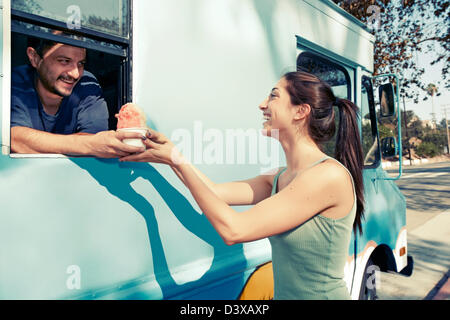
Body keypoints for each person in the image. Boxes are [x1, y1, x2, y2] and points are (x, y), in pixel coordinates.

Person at [120, 71, 365, 300]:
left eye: (273, 96)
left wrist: (173, 166)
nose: (262, 104)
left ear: (300, 111)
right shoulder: (280, 177)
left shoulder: (327, 176)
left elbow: (234, 230)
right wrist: (172, 156)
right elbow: (214, 193)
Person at [11, 36, 144, 157]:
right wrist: (87, 144)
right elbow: (13, 139)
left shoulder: (87, 83)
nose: (75, 74)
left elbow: (94, 138)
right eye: (64, 61)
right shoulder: (13, 81)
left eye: (80, 63)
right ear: (34, 57)